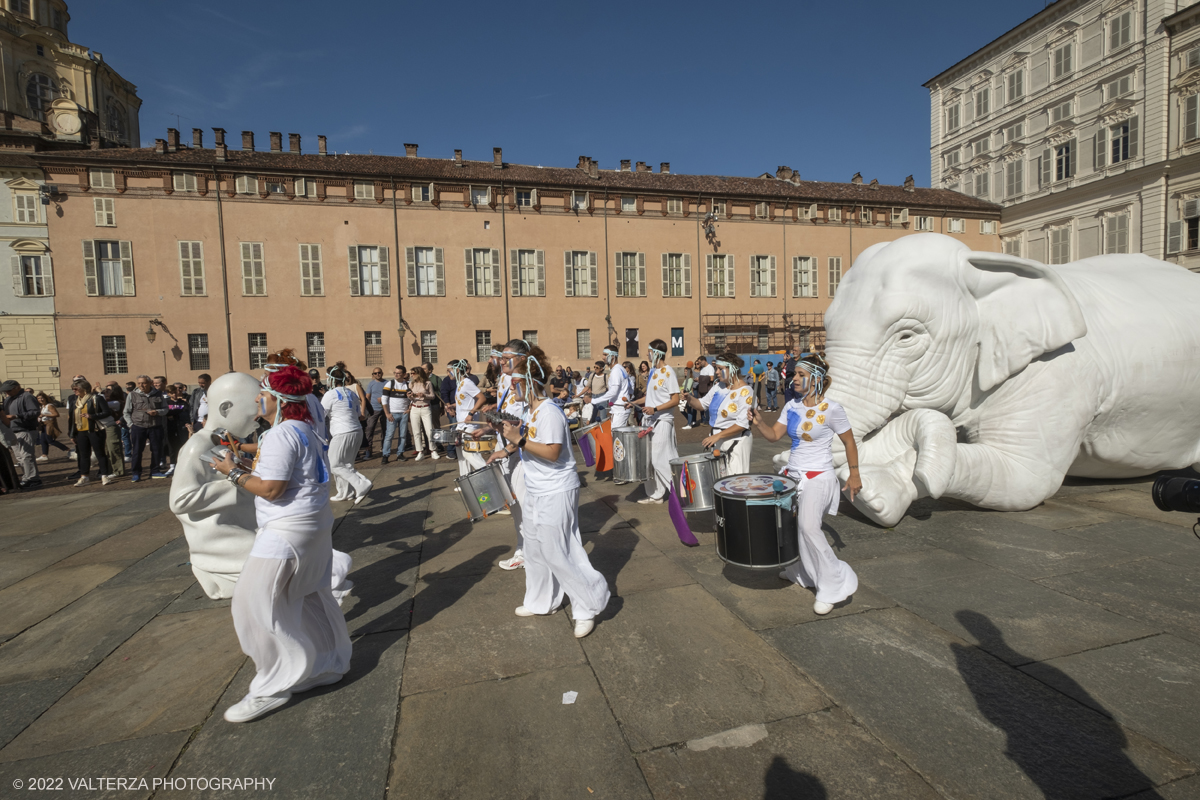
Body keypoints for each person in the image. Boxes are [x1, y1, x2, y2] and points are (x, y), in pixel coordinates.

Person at [210, 365, 352, 723]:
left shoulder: (281, 434)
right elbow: (284, 474)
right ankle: (327, 665)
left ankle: (270, 687)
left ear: (278, 399)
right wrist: (243, 463)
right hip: (311, 526)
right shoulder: (303, 428)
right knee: (306, 596)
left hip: (286, 533)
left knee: (252, 605)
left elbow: (272, 489)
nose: (259, 398)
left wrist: (233, 472)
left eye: (263, 392)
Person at [498, 345, 609, 638]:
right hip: (536, 489)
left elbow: (552, 452)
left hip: (556, 490)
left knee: (560, 551)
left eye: (516, 383)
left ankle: (587, 605)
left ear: (531, 383)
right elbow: (527, 439)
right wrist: (509, 441)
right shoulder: (532, 412)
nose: (513, 388)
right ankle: (541, 601)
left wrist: (518, 441)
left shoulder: (549, 412)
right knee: (534, 549)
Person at [749, 354, 861, 615]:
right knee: (792, 528)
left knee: (809, 527)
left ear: (816, 379)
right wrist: (759, 423)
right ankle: (802, 571)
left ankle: (833, 584)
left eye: (800, 374)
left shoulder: (833, 409)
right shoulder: (791, 407)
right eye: (794, 374)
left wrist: (854, 474)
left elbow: (849, 443)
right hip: (793, 477)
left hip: (819, 477)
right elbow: (775, 436)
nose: (794, 378)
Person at [487, 340, 533, 568]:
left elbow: (525, 426)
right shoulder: (509, 381)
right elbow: (511, 418)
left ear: (522, 359)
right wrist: (490, 427)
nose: (500, 360)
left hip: (521, 454)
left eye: (505, 357)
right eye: (500, 357)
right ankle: (523, 550)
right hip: (509, 450)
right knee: (515, 506)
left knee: (523, 507)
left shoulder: (528, 384)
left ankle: (529, 554)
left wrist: (506, 450)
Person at [685, 351, 754, 476]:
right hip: (718, 441)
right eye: (716, 368)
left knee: (736, 483)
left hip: (737, 442)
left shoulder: (746, 391)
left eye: (720, 369)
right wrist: (689, 398)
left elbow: (743, 424)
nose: (716, 372)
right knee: (720, 481)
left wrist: (718, 436)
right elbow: (701, 404)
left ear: (732, 369)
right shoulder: (718, 386)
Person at [629, 340, 680, 504]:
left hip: (663, 421)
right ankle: (656, 494)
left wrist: (656, 409)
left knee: (660, 458)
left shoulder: (668, 372)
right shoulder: (654, 372)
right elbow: (649, 398)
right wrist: (634, 403)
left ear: (657, 352)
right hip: (649, 421)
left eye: (649, 351)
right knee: (649, 459)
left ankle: (679, 493)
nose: (647, 354)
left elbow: (675, 400)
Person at [322, 363, 373, 503]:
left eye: (327, 377)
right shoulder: (351, 393)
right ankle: (345, 492)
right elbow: (358, 414)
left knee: (334, 465)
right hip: (356, 431)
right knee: (346, 464)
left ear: (331, 379)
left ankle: (361, 484)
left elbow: (320, 415)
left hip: (342, 432)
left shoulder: (330, 394)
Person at [69, 378, 115, 486]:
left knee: (100, 453)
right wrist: (72, 433)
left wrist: (92, 416)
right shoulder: (74, 401)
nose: (73, 391)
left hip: (95, 430)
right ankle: (84, 477)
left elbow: (107, 412)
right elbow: (71, 419)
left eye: (75, 389)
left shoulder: (96, 399)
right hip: (81, 431)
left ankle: (104, 475)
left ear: (84, 389)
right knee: (84, 455)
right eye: (73, 389)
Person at [449, 359, 488, 479]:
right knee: (461, 456)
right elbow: (465, 402)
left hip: (469, 426)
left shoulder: (467, 382)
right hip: (460, 425)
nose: (448, 373)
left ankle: (490, 475)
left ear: (456, 370)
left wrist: (471, 413)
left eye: (449, 370)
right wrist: (452, 406)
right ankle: (466, 482)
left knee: (471, 455)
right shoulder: (459, 384)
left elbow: (481, 398)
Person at [126, 375, 168, 482]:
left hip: (155, 426)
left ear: (150, 383)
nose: (141, 385)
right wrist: (131, 424)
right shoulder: (132, 395)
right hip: (138, 426)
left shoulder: (158, 394)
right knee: (137, 451)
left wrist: (157, 412)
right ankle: (136, 473)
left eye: (144, 383)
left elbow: (165, 409)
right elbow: (126, 412)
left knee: (156, 450)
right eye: (139, 383)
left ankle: (155, 471)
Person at [2, 379, 41, 487]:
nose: (7, 393)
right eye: (6, 391)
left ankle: (33, 479)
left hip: (25, 429)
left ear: (17, 387)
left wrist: (17, 416)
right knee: (19, 457)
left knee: (26, 456)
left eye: (9, 390)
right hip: (13, 429)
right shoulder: (8, 399)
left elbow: (35, 412)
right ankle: (26, 477)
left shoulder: (26, 396)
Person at [407, 366, 440, 461]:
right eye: (411, 373)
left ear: (419, 373)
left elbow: (433, 396)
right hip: (415, 408)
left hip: (425, 408)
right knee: (416, 431)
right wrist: (410, 396)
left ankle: (433, 450)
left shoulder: (427, 383)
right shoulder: (411, 384)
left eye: (413, 373)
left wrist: (424, 395)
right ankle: (420, 451)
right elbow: (411, 398)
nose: (412, 375)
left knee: (429, 430)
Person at [380, 365, 410, 464]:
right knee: (389, 435)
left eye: (398, 373)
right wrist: (387, 413)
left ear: (404, 374)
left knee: (402, 435)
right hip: (392, 414)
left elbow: (412, 399)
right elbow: (384, 399)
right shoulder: (390, 384)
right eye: (395, 373)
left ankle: (400, 453)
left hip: (404, 414)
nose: (396, 375)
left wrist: (409, 409)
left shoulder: (408, 385)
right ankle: (385, 455)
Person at [164, 384, 191, 475]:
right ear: (168, 394)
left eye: (175, 392)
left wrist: (173, 413)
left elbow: (185, 412)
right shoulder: (166, 402)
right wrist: (177, 411)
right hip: (170, 427)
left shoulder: (183, 402)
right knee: (171, 446)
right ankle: (172, 465)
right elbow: (166, 412)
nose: (174, 395)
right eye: (172, 393)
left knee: (182, 445)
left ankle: (182, 464)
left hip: (181, 427)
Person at [35, 392, 69, 460]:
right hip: (43, 425)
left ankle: (68, 450)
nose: (40, 399)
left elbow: (56, 414)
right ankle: (44, 455)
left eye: (42, 398)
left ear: (45, 398)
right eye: (38, 398)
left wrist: (45, 415)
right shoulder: (42, 406)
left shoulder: (49, 405)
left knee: (50, 440)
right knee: (43, 440)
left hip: (49, 424)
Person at [361, 367, 386, 460]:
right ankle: (368, 450)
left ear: (382, 373)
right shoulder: (371, 384)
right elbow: (367, 396)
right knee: (369, 429)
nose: (377, 374)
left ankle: (384, 449)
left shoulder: (387, 383)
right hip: (374, 409)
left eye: (379, 372)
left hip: (385, 409)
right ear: (373, 375)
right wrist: (367, 409)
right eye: (375, 373)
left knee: (385, 430)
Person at [103, 383, 127, 477]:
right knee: (106, 450)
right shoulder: (108, 401)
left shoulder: (116, 402)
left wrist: (96, 392)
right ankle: (109, 470)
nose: (106, 391)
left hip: (112, 427)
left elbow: (100, 404)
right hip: (103, 427)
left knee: (114, 448)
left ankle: (118, 470)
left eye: (108, 390)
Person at [439, 366, 459, 460]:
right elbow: (444, 394)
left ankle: (460, 449)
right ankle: (451, 451)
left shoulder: (462, 380)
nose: (448, 373)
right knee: (453, 429)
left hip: (461, 409)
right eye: (447, 371)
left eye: (449, 371)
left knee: (462, 429)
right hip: (452, 408)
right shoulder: (446, 380)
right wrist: (449, 408)